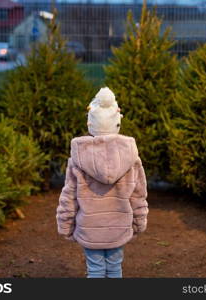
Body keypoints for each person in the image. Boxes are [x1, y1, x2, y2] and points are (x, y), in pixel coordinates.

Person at [56, 87, 148, 278]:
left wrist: (65, 225)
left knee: (95, 270)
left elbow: (69, 196)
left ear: (90, 124)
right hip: (118, 226)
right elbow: (138, 195)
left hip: (90, 227)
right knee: (115, 268)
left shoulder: (78, 158)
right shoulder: (131, 157)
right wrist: (139, 222)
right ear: (117, 124)